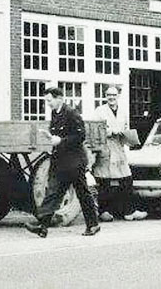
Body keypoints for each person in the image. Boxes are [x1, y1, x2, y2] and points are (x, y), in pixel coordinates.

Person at [25, 85, 100, 237]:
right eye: (46, 101)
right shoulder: (55, 113)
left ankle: (93, 225)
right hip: (60, 161)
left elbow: (80, 136)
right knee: (52, 193)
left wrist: (60, 141)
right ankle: (42, 226)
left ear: (59, 98)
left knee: (82, 193)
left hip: (74, 162)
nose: (48, 104)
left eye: (49, 100)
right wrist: (51, 137)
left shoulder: (72, 113)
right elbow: (58, 135)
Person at [89, 85, 147, 222]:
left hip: (119, 149)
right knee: (104, 182)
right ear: (105, 96)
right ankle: (104, 212)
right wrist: (111, 132)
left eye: (114, 95)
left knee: (126, 180)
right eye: (109, 95)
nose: (111, 97)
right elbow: (95, 130)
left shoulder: (123, 112)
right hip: (105, 149)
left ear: (118, 96)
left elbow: (126, 128)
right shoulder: (99, 111)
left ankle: (129, 212)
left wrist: (129, 138)